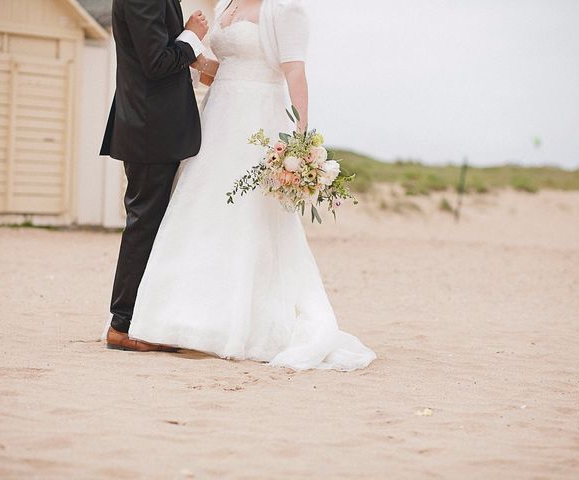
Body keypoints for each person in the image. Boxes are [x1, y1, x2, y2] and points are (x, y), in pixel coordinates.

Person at [125, 0, 376, 371]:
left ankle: (237, 323)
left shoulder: (285, 9)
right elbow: (221, 68)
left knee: (245, 216)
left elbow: (295, 74)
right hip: (217, 118)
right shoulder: (228, 4)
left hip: (257, 120)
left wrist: (301, 141)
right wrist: (197, 59)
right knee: (201, 210)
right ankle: (178, 318)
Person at [100, 0, 209, 351]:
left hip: (156, 127)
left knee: (151, 224)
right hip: (150, 129)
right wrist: (191, 36)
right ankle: (122, 325)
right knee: (144, 224)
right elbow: (156, 62)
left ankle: (141, 319)